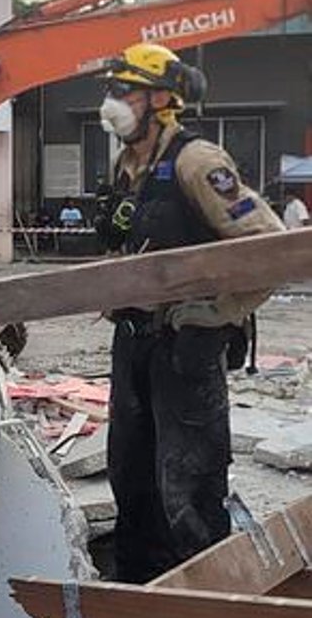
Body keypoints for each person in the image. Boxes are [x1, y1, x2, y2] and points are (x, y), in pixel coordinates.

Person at [93, 42, 283, 584]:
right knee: (132, 479)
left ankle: (205, 594)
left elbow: (269, 248)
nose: (113, 102)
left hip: (186, 350)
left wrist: (216, 313)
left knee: (189, 488)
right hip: (133, 344)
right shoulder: (127, 165)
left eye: (123, 90)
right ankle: (138, 589)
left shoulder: (197, 162)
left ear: (160, 99)